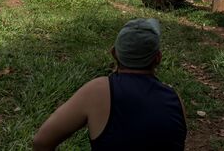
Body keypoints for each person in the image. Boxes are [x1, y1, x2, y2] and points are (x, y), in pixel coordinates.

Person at [33, 18, 187, 151]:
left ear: (114, 53)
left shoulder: (98, 91)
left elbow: (41, 142)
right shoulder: (175, 99)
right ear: (158, 58)